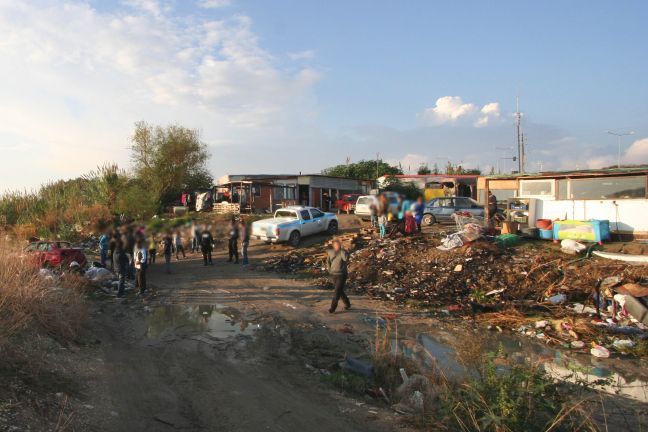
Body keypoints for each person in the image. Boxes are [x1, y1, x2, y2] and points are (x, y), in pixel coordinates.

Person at [326, 240, 351, 313]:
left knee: (336, 291)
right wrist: (329, 270)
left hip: (342, 274)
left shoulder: (343, 252)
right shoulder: (331, 252)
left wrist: (342, 250)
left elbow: (345, 259)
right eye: (336, 245)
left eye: (338, 245)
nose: (337, 246)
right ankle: (347, 304)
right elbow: (328, 261)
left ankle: (332, 308)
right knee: (340, 290)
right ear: (333, 246)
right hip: (334, 274)